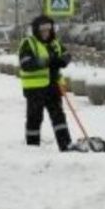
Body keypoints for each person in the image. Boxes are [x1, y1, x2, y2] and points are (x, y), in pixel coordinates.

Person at [18, 15, 74, 151]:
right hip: (35, 89)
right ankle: (32, 147)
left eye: (48, 29)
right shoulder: (28, 43)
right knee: (35, 118)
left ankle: (65, 145)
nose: (46, 32)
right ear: (36, 30)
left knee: (59, 117)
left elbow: (66, 55)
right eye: (42, 30)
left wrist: (62, 61)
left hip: (53, 86)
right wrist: (46, 62)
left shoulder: (55, 43)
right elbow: (25, 63)